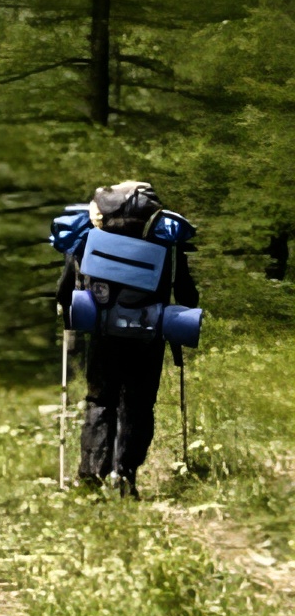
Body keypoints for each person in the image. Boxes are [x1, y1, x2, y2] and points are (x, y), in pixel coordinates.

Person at [56, 178, 199, 497]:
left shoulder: (95, 226)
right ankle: (125, 475)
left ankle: (90, 476)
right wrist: (186, 312)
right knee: (138, 402)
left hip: (104, 328)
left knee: (100, 398)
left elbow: (69, 278)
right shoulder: (164, 231)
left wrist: (65, 304)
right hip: (149, 331)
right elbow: (183, 284)